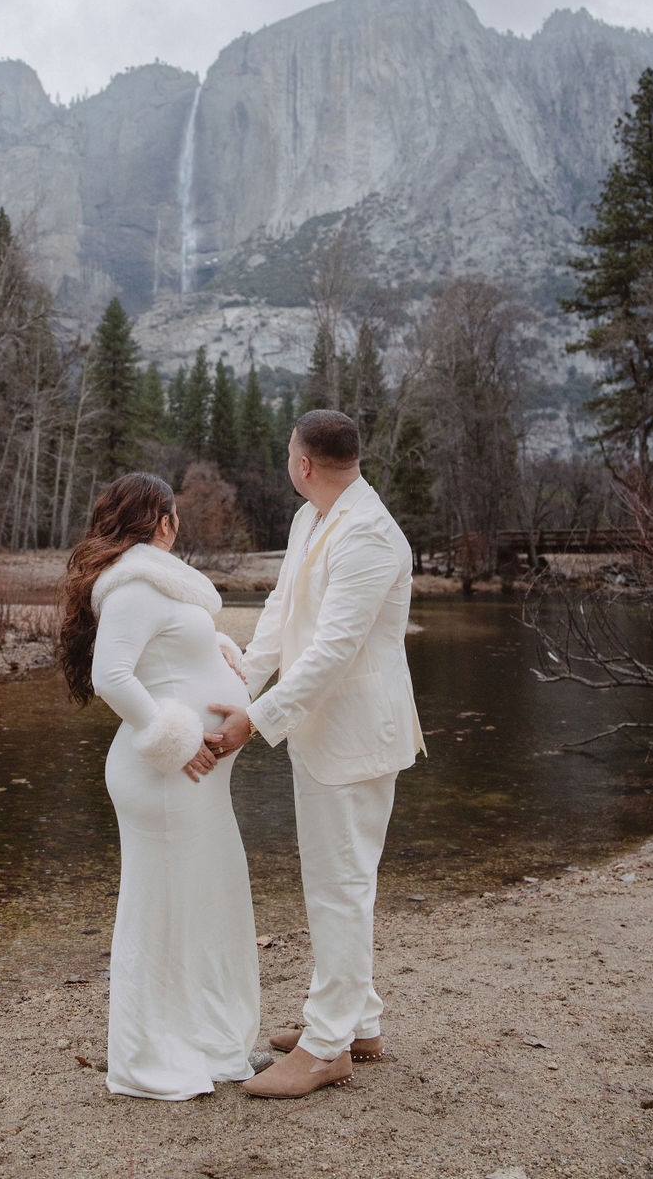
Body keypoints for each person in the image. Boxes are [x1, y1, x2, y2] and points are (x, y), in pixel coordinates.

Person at [208, 410, 425, 1099]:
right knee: (337, 879)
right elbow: (282, 610)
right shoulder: (313, 517)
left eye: (288, 455)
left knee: (341, 886)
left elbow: (333, 649)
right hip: (321, 730)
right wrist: (241, 677)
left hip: (356, 733)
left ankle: (327, 1045)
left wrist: (256, 720)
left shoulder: (369, 535)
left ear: (303, 463)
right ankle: (358, 1021)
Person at [56, 471, 259, 1100]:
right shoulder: (136, 586)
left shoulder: (157, 587)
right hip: (164, 778)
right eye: (176, 516)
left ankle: (200, 1039)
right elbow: (113, 676)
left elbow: (165, 652)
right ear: (164, 521)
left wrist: (219, 648)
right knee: (163, 915)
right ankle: (151, 1059)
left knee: (203, 905)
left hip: (193, 785)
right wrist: (179, 739)